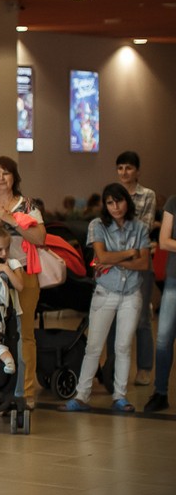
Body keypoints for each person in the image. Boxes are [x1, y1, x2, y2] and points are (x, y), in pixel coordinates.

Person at [63, 183, 151, 413]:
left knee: (123, 347)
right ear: (105, 205)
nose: (115, 207)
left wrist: (116, 260)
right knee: (93, 346)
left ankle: (120, 396)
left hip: (131, 293)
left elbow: (144, 263)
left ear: (126, 202)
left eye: (119, 201)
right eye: (110, 203)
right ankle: (82, 396)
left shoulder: (140, 227)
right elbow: (101, 257)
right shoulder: (97, 225)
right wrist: (130, 254)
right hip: (105, 292)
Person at [0, 156, 44, 409]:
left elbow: (40, 238)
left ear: (14, 176)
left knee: (25, 334)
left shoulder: (27, 205)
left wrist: (12, 220)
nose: (1, 178)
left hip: (23, 272)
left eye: (6, 173)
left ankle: (26, 392)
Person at [101, 151, 156, 388]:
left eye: (129, 168)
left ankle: (144, 368)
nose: (124, 172)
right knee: (113, 317)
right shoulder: (111, 193)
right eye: (120, 168)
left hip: (139, 261)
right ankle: (112, 368)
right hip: (115, 265)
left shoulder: (147, 195)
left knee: (141, 318)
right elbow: (105, 226)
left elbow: (144, 227)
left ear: (137, 171)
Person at [144, 194, 176, 412]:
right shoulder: (173, 202)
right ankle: (160, 392)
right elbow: (164, 241)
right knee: (164, 338)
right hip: (174, 279)